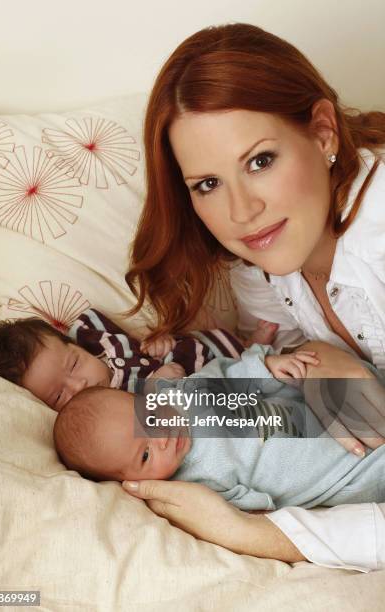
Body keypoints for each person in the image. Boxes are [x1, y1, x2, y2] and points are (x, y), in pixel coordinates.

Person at [123, 23, 385, 570]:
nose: (241, 214)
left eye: (260, 161)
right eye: (208, 185)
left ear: (322, 132)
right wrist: (327, 361)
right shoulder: (261, 270)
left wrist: (250, 532)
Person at [53, 351, 385, 511]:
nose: (163, 437)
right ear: (131, 483)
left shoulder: (179, 393)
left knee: (357, 388)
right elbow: (255, 511)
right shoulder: (195, 484)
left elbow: (226, 375)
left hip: (313, 409)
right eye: (145, 454)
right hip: (340, 474)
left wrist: (266, 367)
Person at [0, 307, 282, 410]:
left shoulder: (94, 339)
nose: (79, 383)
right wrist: (156, 388)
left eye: (74, 364)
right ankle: (255, 357)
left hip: (190, 351)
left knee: (200, 344)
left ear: (73, 344)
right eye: (59, 395)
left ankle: (248, 344)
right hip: (201, 385)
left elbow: (134, 339)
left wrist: (154, 341)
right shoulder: (107, 410)